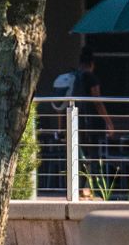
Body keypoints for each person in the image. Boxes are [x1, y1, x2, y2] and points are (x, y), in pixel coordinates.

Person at [46, 46, 116, 196]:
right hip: (89, 124)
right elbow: (97, 102)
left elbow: (62, 106)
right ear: (92, 64)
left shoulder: (72, 77)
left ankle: (77, 188)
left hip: (73, 123)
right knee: (92, 157)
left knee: (77, 155)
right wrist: (109, 122)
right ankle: (90, 188)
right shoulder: (91, 78)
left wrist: (61, 128)